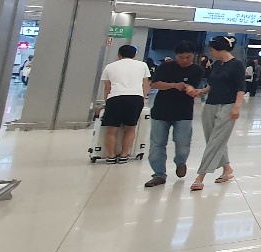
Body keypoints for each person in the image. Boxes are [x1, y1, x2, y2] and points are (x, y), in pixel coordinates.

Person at [144, 41, 205, 187]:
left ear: (193, 56)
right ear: (176, 56)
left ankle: (180, 162)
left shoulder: (197, 70)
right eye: (181, 57)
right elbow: (154, 84)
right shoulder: (166, 67)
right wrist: (174, 85)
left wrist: (192, 90)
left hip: (183, 113)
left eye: (188, 57)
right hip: (161, 111)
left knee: (182, 144)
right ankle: (159, 174)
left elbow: (195, 87)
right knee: (157, 144)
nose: (184, 60)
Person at [191, 37, 246, 192]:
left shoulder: (237, 65)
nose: (211, 53)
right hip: (211, 104)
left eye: (212, 50)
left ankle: (200, 177)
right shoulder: (216, 64)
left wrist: (237, 107)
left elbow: (241, 87)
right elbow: (213, 84)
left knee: (215, 141)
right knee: (212, 139)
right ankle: (227, 169)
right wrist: (202, 91)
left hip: (228, 105)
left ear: (221, 49)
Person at [99, 44, 152, 164]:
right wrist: (143, 98)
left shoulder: (110, 66)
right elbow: (145, 84)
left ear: (119, 55)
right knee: (130, 129)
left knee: (112, 129)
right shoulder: (142, 65)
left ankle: (111, 155)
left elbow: (107, 87)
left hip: (115, 97)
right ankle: (124, 155)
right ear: (134, 55)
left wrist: (107, 101)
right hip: (135, 97)